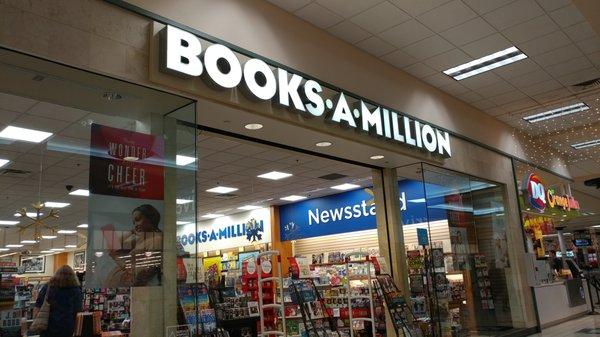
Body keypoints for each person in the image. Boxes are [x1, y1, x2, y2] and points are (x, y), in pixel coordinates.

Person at [105, 204, 163, 287]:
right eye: (134, 222)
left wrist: (119, 261)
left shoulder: (156, 239)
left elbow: (146, 270)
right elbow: (111, 245)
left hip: (136, 287)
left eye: (138, 220)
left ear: (150, 218)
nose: (135, 224)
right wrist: (131, 231)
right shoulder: (141, 239)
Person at [34, 265, 83, 337]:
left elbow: (38, 306)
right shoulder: (75, 290)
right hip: (67, 327)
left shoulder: (48, 287)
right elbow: (78, 311)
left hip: (48, 325)